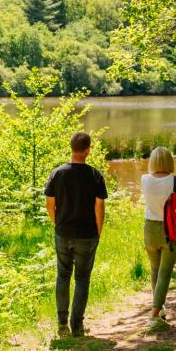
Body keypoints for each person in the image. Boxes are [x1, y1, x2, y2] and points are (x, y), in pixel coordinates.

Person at [44, 131, 108, 337]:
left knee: (63, 276)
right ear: (88, 150)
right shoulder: (95, 175)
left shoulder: (58, 173)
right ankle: (77, 326)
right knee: (82, 278)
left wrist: (58, 223)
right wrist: (98, 231)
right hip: (87, 235)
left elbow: (49, 204)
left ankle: (62, 324)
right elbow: (99, 207)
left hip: (63, 232)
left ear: (71, 148)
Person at [141, 146, 176, 326]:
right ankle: (155, 314)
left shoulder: (144, 179)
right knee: (164, 273)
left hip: (150, 229)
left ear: (153, 161)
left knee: (155, 270)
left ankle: (159, 307)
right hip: (172, 231)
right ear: (169, 161)